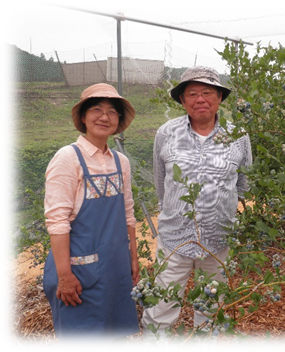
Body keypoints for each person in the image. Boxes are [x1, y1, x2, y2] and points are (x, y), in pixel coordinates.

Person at [142, 66, 252, 348]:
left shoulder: (238, 136)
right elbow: (162, 184)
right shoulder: (166, 134)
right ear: (182, 100)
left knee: (210, 302)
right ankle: (157, 345)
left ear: (219, 98)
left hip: (218, 238)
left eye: (207, 92)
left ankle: (206, 346)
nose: (200, 99)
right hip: (175, 238)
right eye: (192, 93)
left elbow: (244, 185)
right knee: (162, 302)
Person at [42, 83, 140, 349]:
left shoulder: (121, 162)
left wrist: (133, 259)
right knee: (83, 340)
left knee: (116, 336)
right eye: (96, 109)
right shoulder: (67, 158)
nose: (104, 117)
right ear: (83, 117)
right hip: (78, 272)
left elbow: (127, 213)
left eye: (112, 111)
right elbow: (57, 221)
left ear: (119, 120)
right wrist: (65, 275)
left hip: (115, 269)